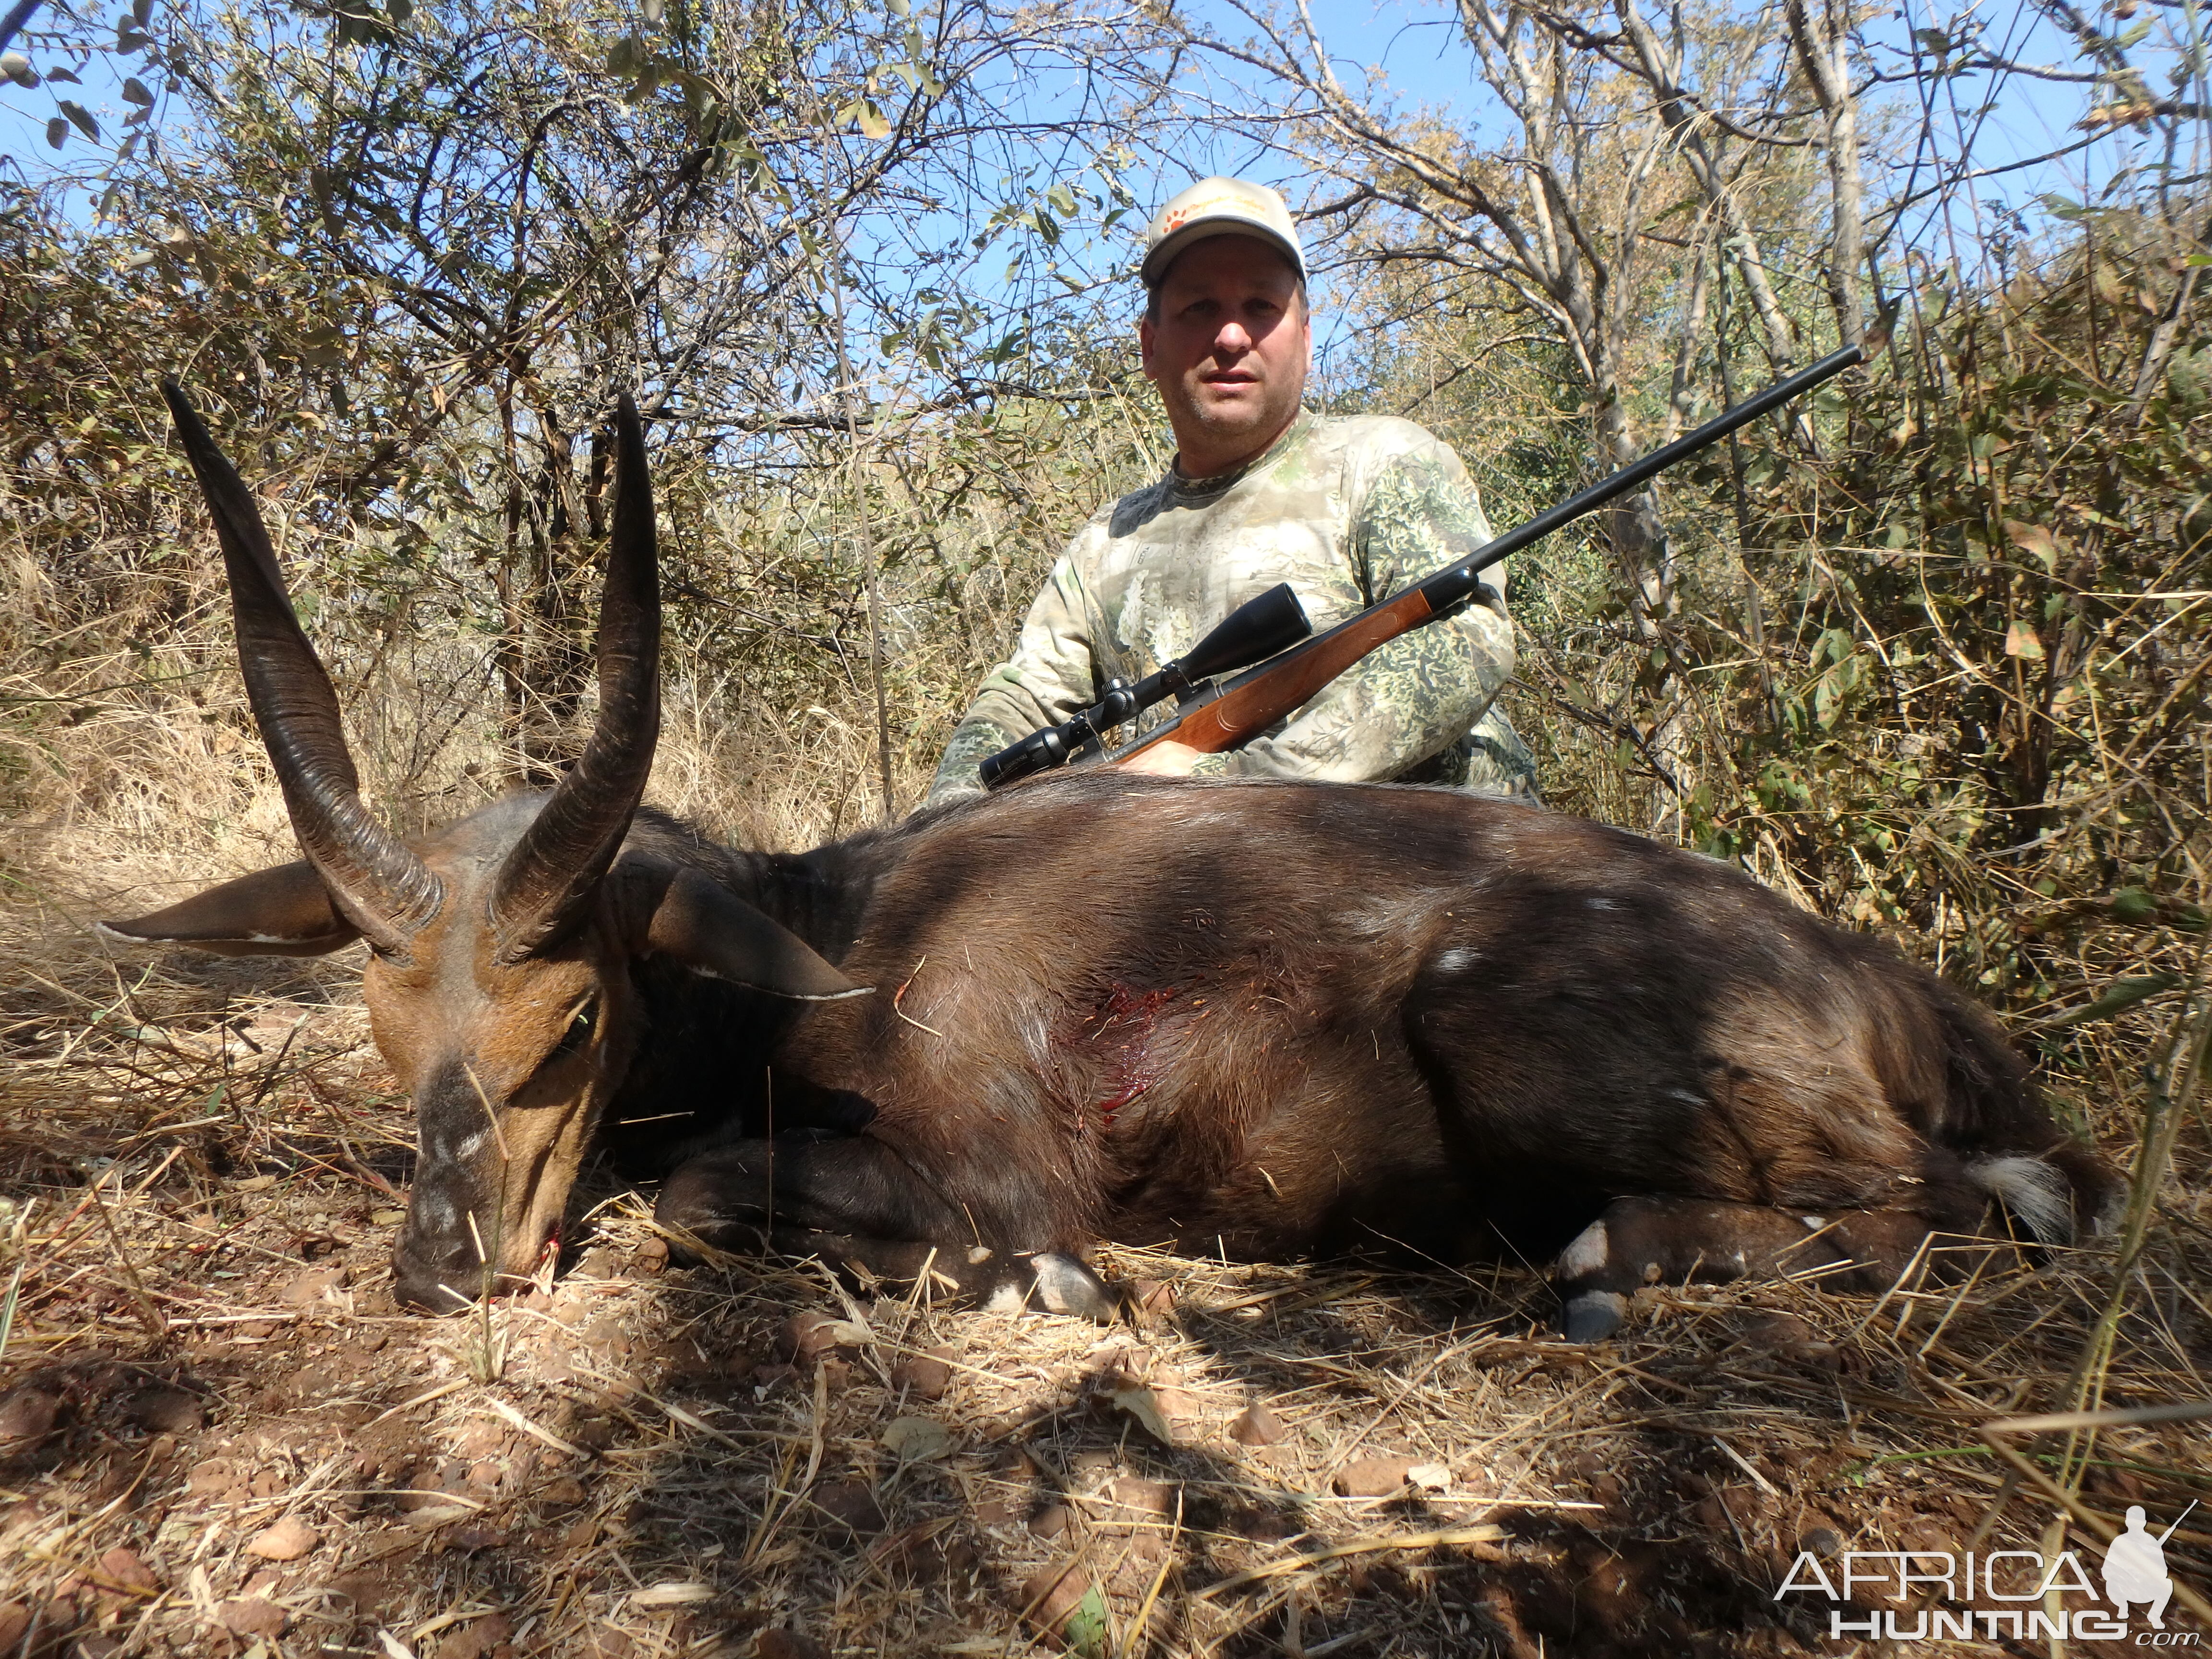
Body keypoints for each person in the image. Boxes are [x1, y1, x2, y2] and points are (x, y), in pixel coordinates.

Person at [926, 176, 1539, 805]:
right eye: (1200, 309)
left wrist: (1222, 782)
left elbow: (1464, 643)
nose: (1231, 336)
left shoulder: (1385, 461)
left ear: (1305, 334)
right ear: (1150, 346)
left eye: (1260, 308)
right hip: (1204, 884)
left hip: (1442, 873)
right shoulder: (1104, 543)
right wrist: (950, 821)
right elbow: (1021, 702)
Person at [2103, 1505, 2173, 1628]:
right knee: (2112, 1582)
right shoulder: (2120, 1541)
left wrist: (2148, 1571)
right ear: (2127, 1522)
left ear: (2144, 1523)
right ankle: (2123, 1607)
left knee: (2168, 1584)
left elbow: (2163, 1571)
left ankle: (2155, 1616)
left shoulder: (2151, 1542)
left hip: (2145, 1588)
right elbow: (2108, 1568)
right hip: (2123, 1586)